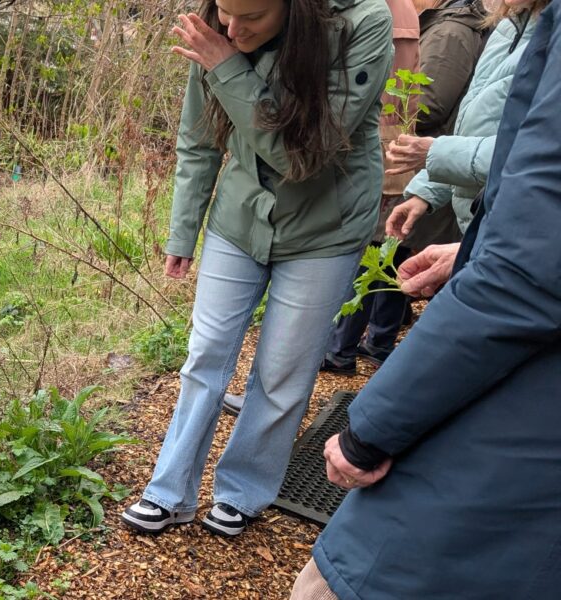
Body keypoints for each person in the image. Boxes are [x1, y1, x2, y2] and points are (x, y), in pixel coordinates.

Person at [291, 1, 561, 596]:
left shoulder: (480, 28)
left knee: (337, 581)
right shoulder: (521, 24)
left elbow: (526, 277)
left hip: (522, 416)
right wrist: (470, 246)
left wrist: (371, 430)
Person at [120, 0, 393, 537]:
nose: (232, 28)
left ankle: (243, 489)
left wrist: (226, 66)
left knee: (283, 371)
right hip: (240, 217)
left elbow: (303, 155)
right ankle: (169, 491)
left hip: (326, 225)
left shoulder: (363, 22)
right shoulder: (218, 31)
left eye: (253, 17)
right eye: (225, 11)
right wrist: (184, 229)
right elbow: (198, 141)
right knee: (206, 353)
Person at [320, 0, 485, 374]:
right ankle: (366, 343)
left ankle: (346, 348)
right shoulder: (436, 23)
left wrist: (369, 102)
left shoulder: (450, 32)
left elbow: (429, 106)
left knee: (383, 249)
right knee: (389, 248)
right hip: (418, 159)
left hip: (415, 158)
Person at [385, 0, 549, 237]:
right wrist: (427, 191)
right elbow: (479, 126)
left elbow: (537, 149)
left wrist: (435, 152)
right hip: (478, 219)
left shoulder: (550, 41)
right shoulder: (507, 27)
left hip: (518, 223)